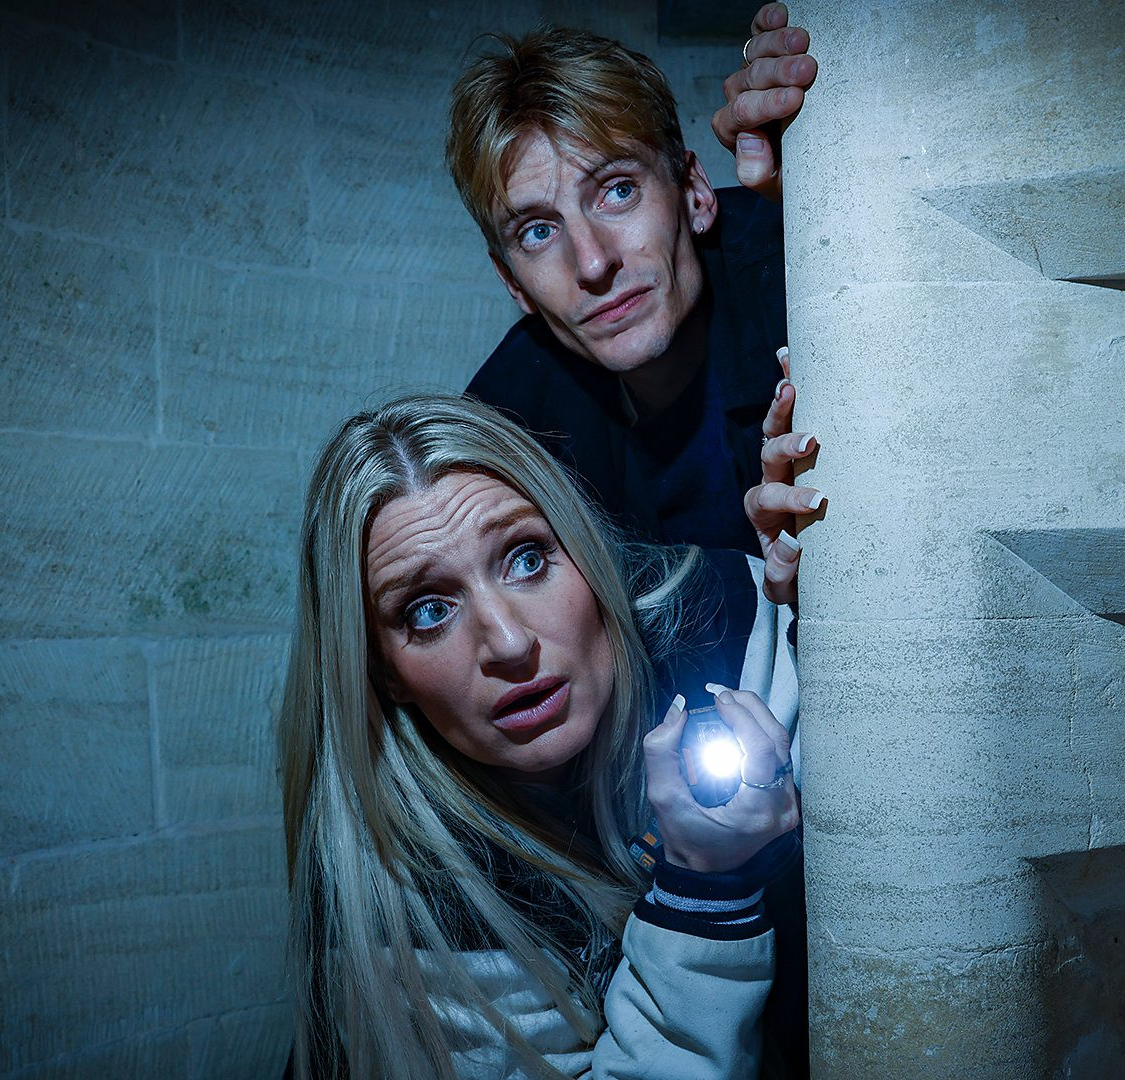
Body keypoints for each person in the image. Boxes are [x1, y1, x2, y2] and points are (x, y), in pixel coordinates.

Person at [281, 394, 805, 1078]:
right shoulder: (400, 895)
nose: (507, 641)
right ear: (384, 673)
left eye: (526, 559)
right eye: (429, 610)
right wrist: (702, 893)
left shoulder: (726, 628)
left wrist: (835, 609)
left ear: (587, 553)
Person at [447, 7, 820, 565]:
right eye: (538, 231)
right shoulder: (506, 435)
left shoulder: (805, 271)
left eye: (618, 191)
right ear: (513, 283)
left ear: (694, 194)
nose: (593, 262)